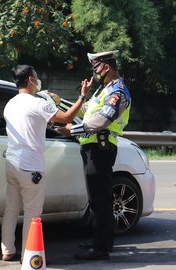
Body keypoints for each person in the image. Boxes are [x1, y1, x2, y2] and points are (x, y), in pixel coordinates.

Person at [0, 65, 91, 261]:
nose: (38, 78)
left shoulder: (10, 104)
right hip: (30, 167)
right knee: (32, 214)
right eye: (37, 75)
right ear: (31, 80)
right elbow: (66, 118)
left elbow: (34, 124)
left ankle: (7, 250)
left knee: (11, 209)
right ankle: (28, 254)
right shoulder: (38, 104)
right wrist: (82, 97)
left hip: (12, 163)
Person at [58, 50, 131, 260]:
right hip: (92, 149)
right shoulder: (103, 90)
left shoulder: (118, 92)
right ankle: (99, 241)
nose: (94, 72)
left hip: (101, 149)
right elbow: (85, 112)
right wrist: (60, 101)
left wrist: (72, 130)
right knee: (96, 199)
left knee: (101, 200)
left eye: (96, 67)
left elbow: (102, 121)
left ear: (106, 67)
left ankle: (101, 249)